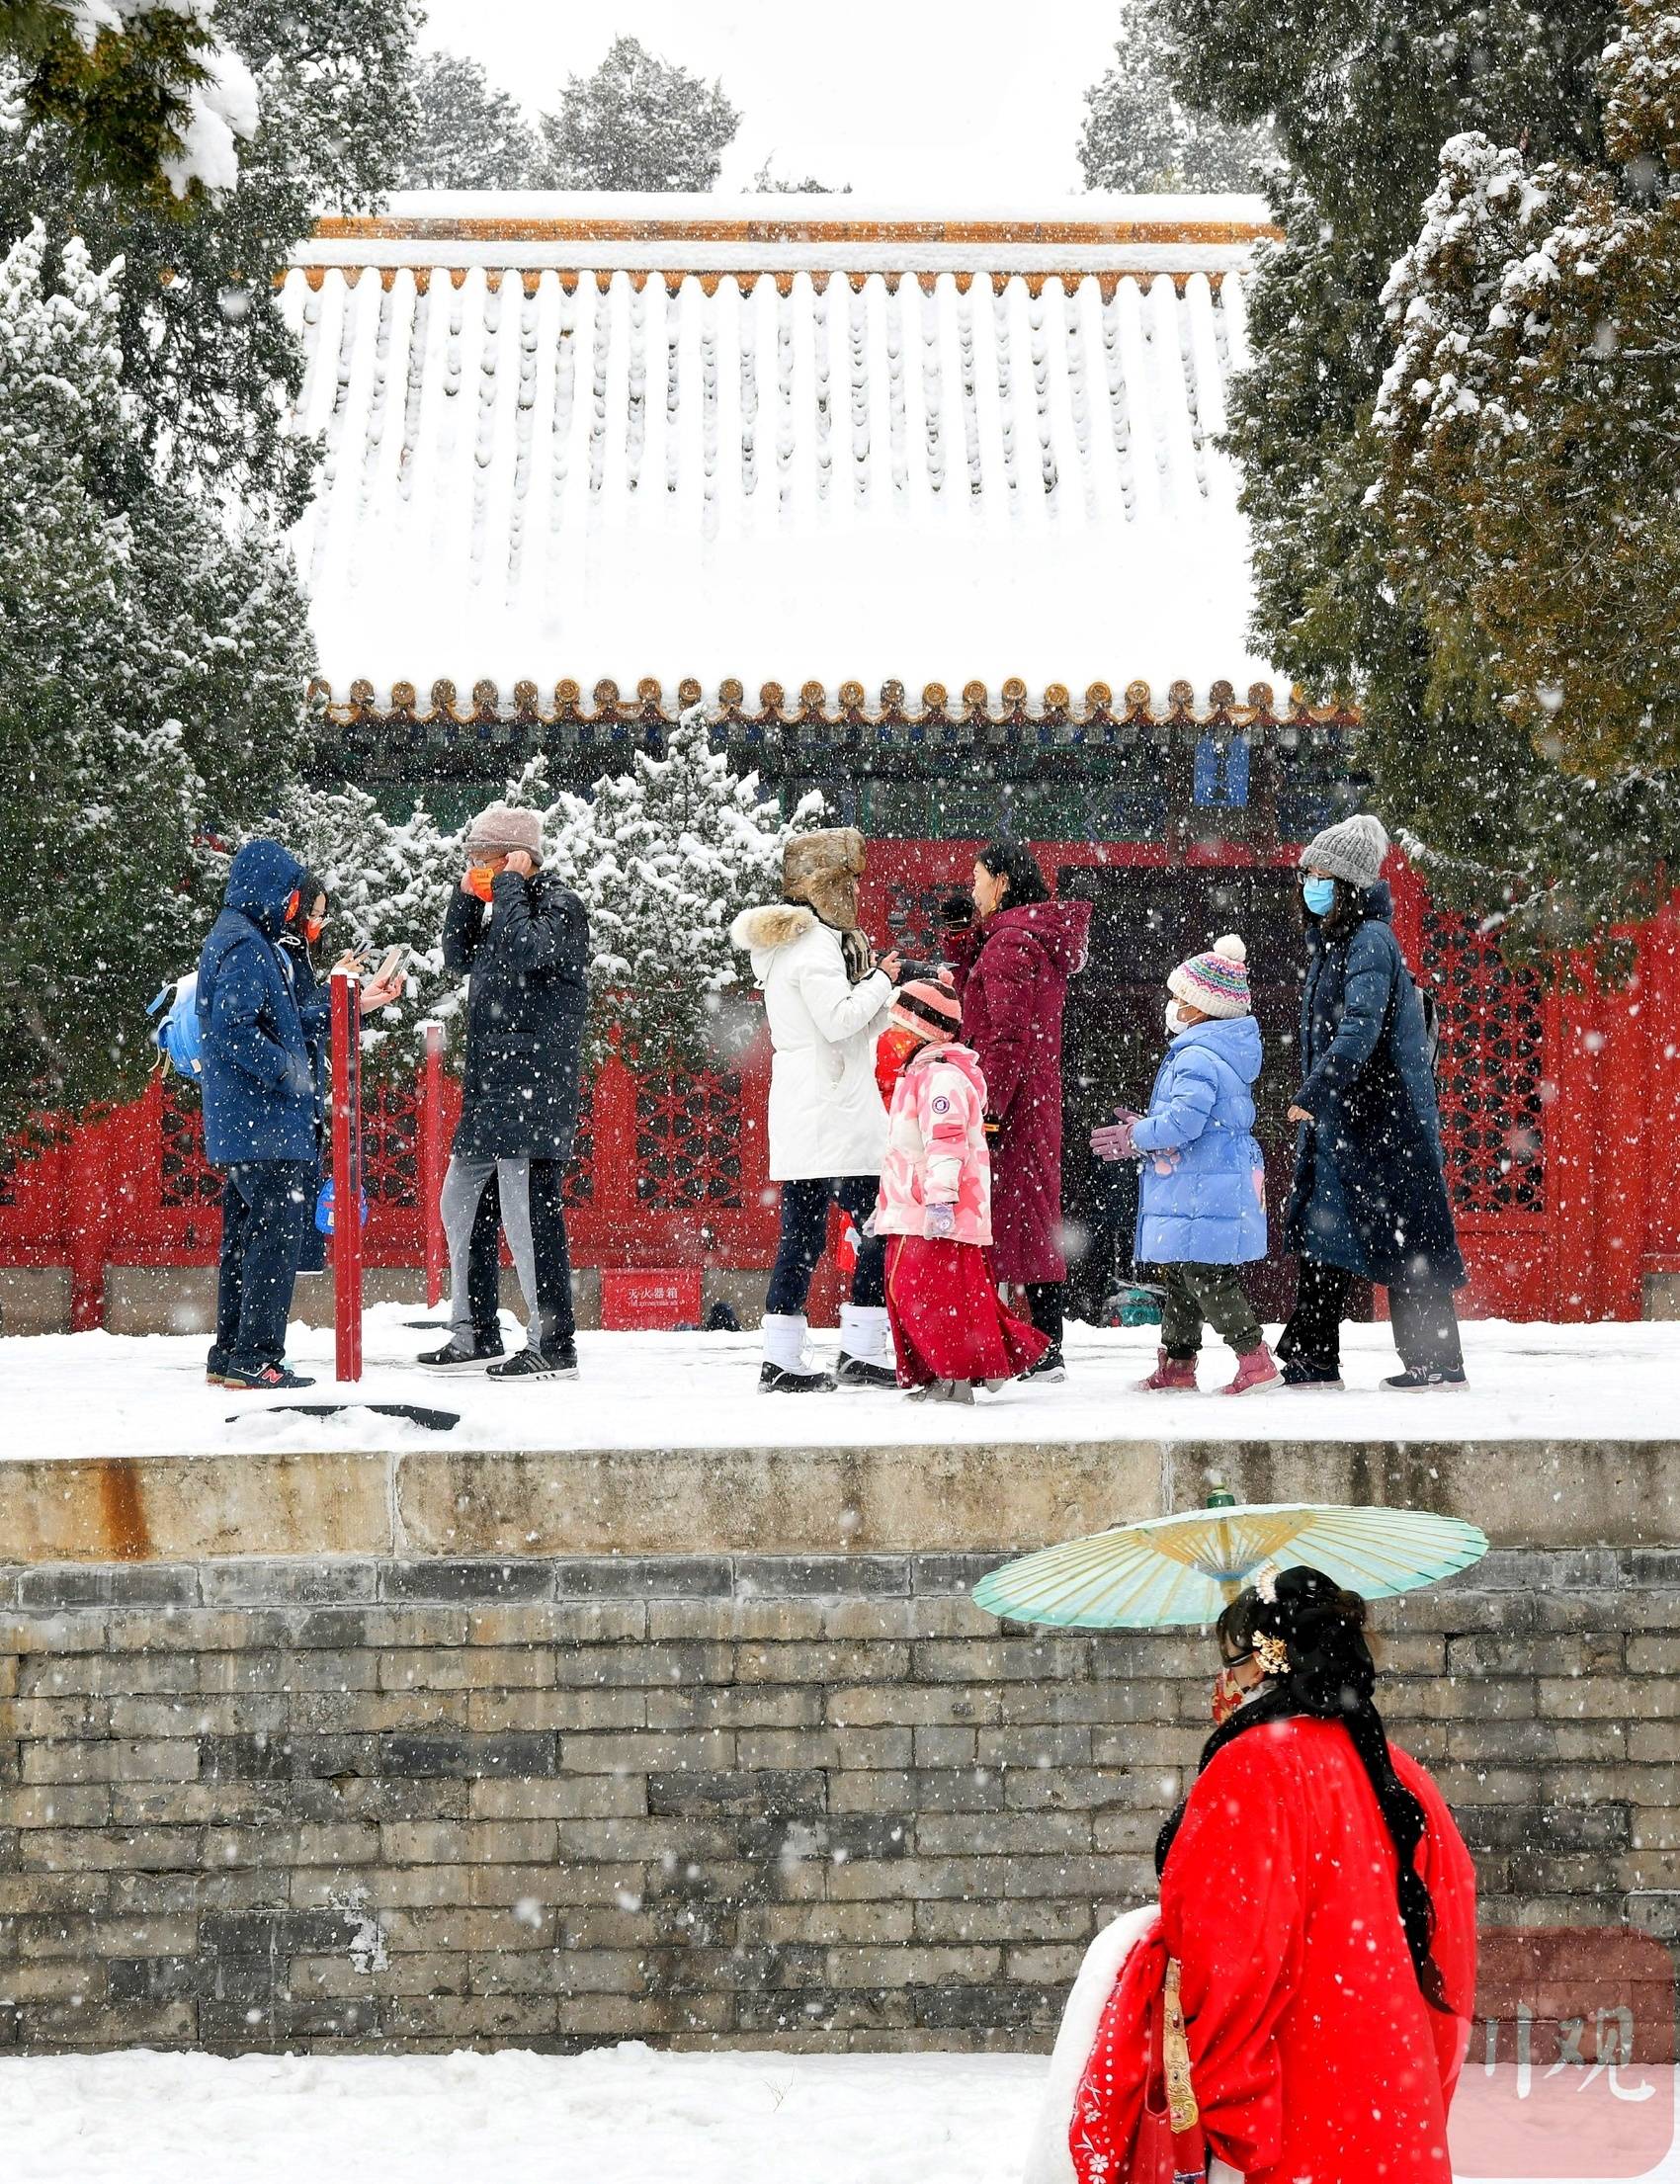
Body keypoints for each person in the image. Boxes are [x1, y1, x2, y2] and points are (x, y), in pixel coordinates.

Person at [1027, 1565, 1477, 2184]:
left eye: (1233, 1662)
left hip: (1297, 2113)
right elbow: (1450, 1944)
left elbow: (1226, 1960)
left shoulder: (1252, 1770)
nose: (1225, 1680)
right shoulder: (1400, 1774)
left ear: (1268, 1661)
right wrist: (1422, 2076)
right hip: (1395, 2103)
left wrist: (1232, 2120)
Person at [198, 841, 401, 1390]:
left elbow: (286, 1019)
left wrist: (355, 1004)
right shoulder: (247, 946)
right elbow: (236, 1029)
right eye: (292, 895)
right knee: (272, 1243)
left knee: (245, 1241)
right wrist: (288, 1072)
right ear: (269, 890)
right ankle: (256, 1357)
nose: (295, 907)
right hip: (265, 1123)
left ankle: (230, 1353)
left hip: (249, 1124)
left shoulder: (242, 939)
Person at [1278, 813, 1469, 1390]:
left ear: (1346, 883)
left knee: (1407, 1239)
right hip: (1350, 1115)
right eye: (1307, 874)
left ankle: (1435, 1362)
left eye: (1319, 875)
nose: (1309, 884)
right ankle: (1313, 1358)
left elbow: (1359, 1029)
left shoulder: (1369, 942)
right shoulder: (1335, 943)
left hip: (1386, 1117)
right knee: (1328, 1231)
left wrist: (1316, 1091)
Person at [419, 802, 589, 1382]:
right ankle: (475, 1331)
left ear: (519, 857)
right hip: (491, 1088)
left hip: (534, 1090)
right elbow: (458, 957)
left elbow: (527, 951)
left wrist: (510, 886)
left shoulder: (561, 907)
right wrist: (467, 899)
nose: (478, 867)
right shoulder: (503, 912)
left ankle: (553, 1342)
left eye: (484, 858)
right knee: (461, 1203)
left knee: (529, 1219)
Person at [730, 828, 905, 1392]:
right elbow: (839, 1021)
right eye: (849, 883)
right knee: (879, 1225)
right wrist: (882, 981)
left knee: (801, 1237)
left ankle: (781, 1356)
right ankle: (861, 1347)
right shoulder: (815, 946)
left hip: (809, 1108)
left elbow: (847, 1026)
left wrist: (880, 994)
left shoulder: (791, 947)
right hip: (836, 1113)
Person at [1092, 934, 1279, 1395]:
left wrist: (1138, 1135)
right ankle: (1178, 1363)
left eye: (1179, 998)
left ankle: (1254, 1360)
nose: (1172, 1006)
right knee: (1181, 1270)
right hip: (1206, 1178)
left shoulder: (1196, 1055)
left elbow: (1184, 1123)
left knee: (1205, 1274)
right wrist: (1148, 1126)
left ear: (1201, 1008)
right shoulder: (1217, 1052)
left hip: (1202, 1184)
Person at [944, 843, 1090, 1382]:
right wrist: (963, 940)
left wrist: (990, 1107)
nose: (973, 886)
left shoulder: (1010, 945)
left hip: (1013, 1103)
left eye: (978, 877)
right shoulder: (1017, 938)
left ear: (1002, 881)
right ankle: (1037, 1341)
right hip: (1031, 1098)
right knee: (1028, 1217)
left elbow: (1005, 1037)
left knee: (1020, 1220)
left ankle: (1043, 1345)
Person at [872, 967, 1048, 1402]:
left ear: (921, 1030)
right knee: (914, 1292)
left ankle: (956, 1376)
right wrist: (888, 1203)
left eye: (899, 1026)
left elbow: (946, 1144)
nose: (893, 1035)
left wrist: (940, 1200)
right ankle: (952, 1371)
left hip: (936, 1211)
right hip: (912, 1208)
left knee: (932, 1296)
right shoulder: (919, 1074)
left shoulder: (941, 1079)